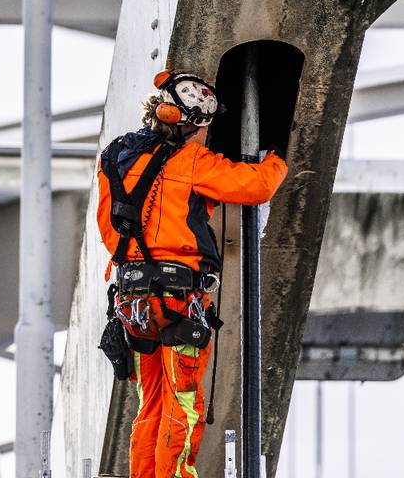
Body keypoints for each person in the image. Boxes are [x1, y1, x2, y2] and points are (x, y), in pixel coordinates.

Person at [95, 70, 288, 478]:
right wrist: (275, 159)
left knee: (151, 406)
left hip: (133, 307)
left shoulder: (113, 156)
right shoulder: (192, 161)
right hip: (179, 306)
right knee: (183, 406)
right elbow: (254, 187)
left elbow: (108, 228)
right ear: (192, 124)